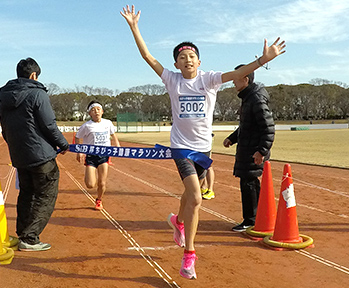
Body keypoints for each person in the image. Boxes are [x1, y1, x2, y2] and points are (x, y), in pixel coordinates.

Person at [121, 4, 285, 280]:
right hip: (181, 147)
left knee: (189, 195)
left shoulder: (209, 80)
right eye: (182, 56)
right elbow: (148, 57)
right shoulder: (172, 80)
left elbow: (237, 73)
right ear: (176, 63)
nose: (187, 59)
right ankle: (189, 257)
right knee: (196, 197)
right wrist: (134, 27)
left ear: (199, 61)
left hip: (202, 148)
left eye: (192, 55)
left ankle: (177, 221)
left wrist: (261, 61)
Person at [0, 57, 69, 251]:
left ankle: (23, 233)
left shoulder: (3, 96)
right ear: (33, 75)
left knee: (27, 193)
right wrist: (63, 144)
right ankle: (30, 238)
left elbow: (4, 127)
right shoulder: (37, 94)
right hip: (41, 156)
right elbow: (48, 125)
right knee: (45, 194)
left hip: (20, 155)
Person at [223, 69, 275, 232]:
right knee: (249, 183)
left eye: (236, 79)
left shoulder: (256, 99)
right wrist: (232, 138)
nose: (233, 82)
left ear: (246, 79)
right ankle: (256, 217)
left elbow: (268, 128)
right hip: (247, 149)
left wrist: (261, 151)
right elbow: (246, 125)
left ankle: (251, 220)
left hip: (253, 152)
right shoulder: (248, 98)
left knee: (249, 184)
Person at [75, 100, 120, 210]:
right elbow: (77, 137)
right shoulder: (86, 126)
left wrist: (117, 146)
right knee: (90, 184)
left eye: (98, 109)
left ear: (102, 111)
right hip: (91, 156)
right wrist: (79, 151)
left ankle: (99, 200)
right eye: (93, 110)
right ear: (90, 113)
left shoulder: (108, 123)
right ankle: (90, 176)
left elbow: (113, 134)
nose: (96, 112)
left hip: (104, 156)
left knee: (102, 183)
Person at [201, 134, 215, 200]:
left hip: (205, 141)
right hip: (196, 140)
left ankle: (210, 190)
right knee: (199, 164)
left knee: (208, 165)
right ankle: (204, 187)